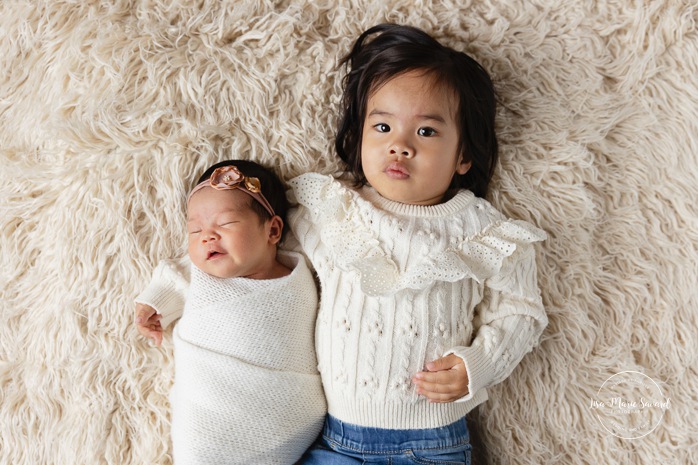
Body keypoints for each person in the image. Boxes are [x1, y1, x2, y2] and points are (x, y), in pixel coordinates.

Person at [136, 23, 548, 465]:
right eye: (383, 126)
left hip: (434, 442)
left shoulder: (487, 232)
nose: (400, 146)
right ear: (359, 137)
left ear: (463, 155)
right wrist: (167, 294)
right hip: (336, 442)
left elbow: (521, 313)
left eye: (426, 132)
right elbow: (245, 240)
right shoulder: (330, 211)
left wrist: (478, 365)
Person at [135, 160, 326, 465]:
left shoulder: (299, 279)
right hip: (208, 411)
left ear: (273, 230)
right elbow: (173, 275)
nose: (207, 237)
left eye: (225, 224)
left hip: (283, 416)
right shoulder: (201, 274)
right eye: (195, 229)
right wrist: (154, 304)